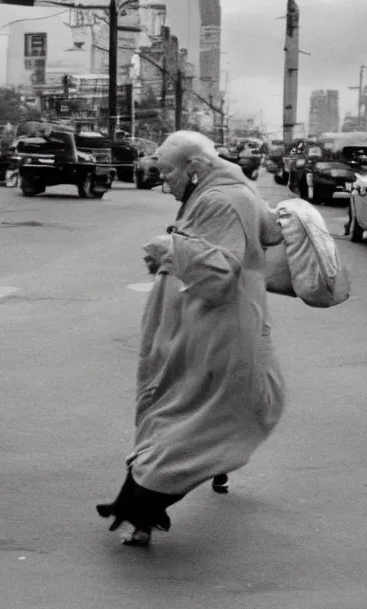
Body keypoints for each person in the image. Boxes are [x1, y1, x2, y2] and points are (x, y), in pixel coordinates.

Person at [97, 130, 287, 546]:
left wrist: (169, 248)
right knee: (190, 414)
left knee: (186, 420)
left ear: (196, 168)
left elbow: (219, 274)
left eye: (168, 173)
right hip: (211, 328)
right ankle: (161, 494)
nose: (165, 183)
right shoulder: (225, 191)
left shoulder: (221, 200)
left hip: (216, 333)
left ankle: (140, 509)